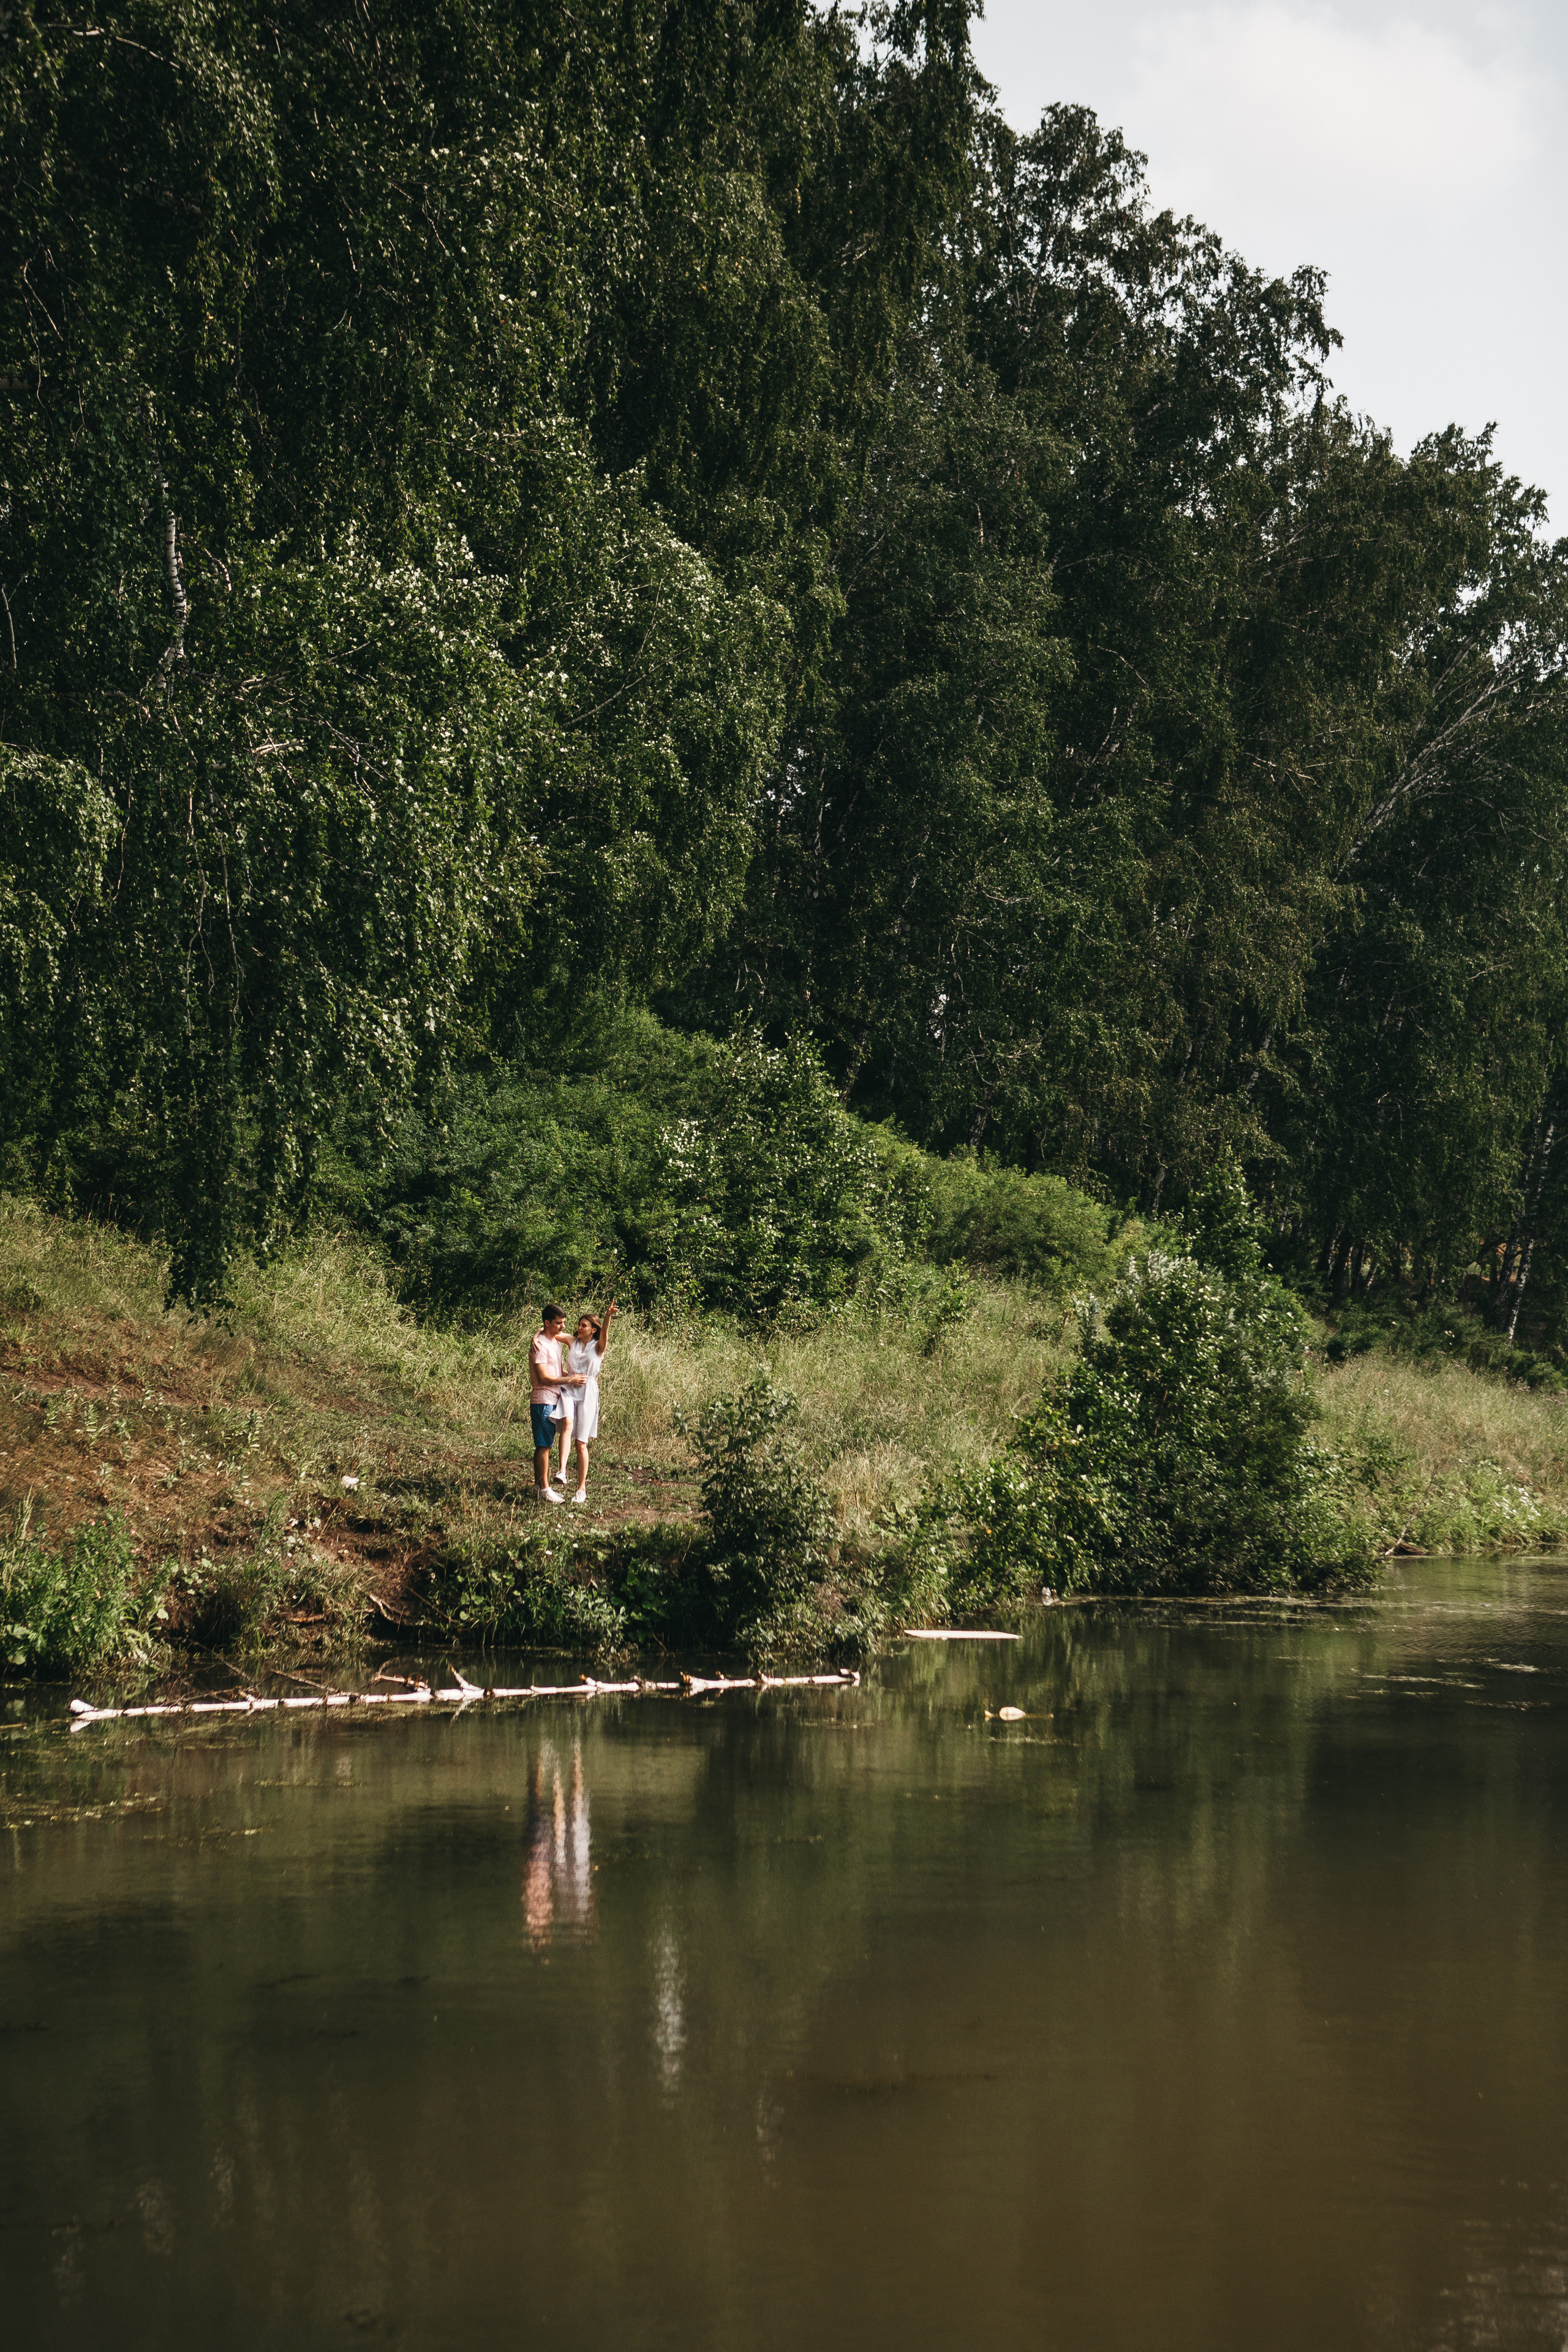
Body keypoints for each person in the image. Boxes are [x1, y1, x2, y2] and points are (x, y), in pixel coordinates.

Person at [560, 1298, 617, 1504]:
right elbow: (552, 1332)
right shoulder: (573, 1341)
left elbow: (605, 1334)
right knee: (567, 1425)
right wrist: (537, 1333)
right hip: (569, 1389)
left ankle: (581, 1488)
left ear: (594, 1329)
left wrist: (608, 1316)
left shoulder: (598, 1347)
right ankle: (561, 1472)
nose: (579, 1328)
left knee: (581, 1443)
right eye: (579, 1325)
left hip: (588, 1392)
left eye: (584, 1325)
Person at [529, 1305, 584, 1503]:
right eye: (559, 1323)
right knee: (544, 1445)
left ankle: (539, 1487)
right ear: (547, 1323)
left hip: (554, 1398)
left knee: (546, 1444)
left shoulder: (554, 1342)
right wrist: (569, 1380)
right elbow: (543, 1377)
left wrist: (575, 1377)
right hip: (543, 1399)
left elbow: (557, 1371)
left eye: (564, 1322)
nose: (563, 1327)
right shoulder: (540, 1346)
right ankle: (545, 1489)